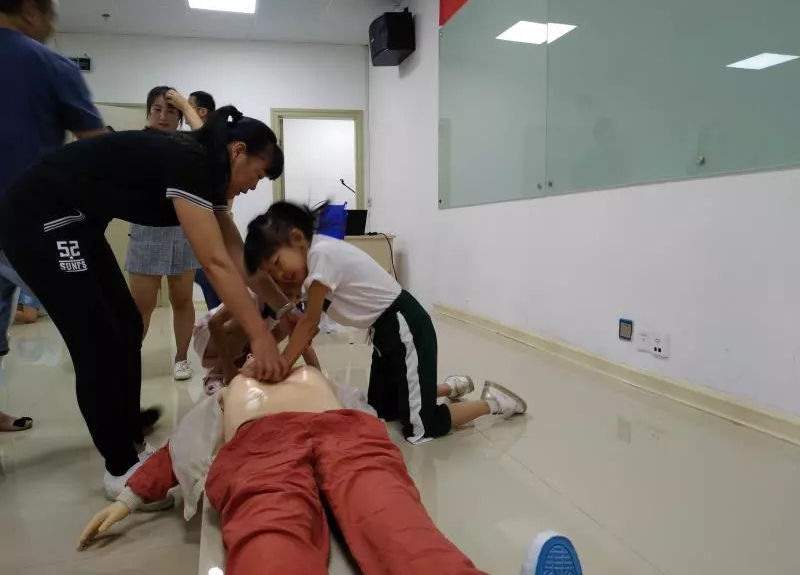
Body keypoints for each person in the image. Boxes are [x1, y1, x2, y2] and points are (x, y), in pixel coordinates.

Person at [0, 105, 289, 500]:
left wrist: (286, 309)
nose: (255, 186)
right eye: (258, 174)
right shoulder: (192, 163)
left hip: (79, 221)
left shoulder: (211, 178)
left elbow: (239, 258)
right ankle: (120, 468)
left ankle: (130, 437)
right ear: (238, 151)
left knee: (127, 323)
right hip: (39, 217)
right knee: (96, 339)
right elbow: (215, 262)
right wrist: (260, 337)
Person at [77, 364, 583, 575]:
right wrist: (128, 500)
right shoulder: (227, 392)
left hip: (346, 435)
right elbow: (180, 448)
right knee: (269, 530)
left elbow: (372, 408)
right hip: (261, 449)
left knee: (393, 520)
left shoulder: (317, 375)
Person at [244, 202, 528, 443]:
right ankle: (447, 388)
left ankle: (495, 402)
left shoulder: (321, 256)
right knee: (381, 412)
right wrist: (266, 355)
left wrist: (281, 365)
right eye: (272, 273)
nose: (280, 276)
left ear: (296, 238)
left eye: (278, 263)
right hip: (383, 331)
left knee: (421, 427)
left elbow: (308, 323)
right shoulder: (313, 265)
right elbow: (299, 325)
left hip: (404, 324)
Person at [0, 0, 106, 432]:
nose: (51, 26)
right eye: (50, 15)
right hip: (32, 224)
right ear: (29, 9)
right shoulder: (49, 65)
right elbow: (99, 148)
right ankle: (117, 420)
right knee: (97, 322)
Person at [125, 86, 206, 382]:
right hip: (146, 230)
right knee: (141, 306)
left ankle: (181, 358)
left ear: (181, 116)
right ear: (148, 112)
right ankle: (127, 359)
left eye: (171, 111)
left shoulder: (187, 144)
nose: (163, 116)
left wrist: (186, 105)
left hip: (183, 230)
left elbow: (208, 141)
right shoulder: (135, 142)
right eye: (157, 109)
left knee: (182, 300)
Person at [193, 288, 320, 395]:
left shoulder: (290, 308)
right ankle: (215, 374)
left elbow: (304, 343)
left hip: (242, 336)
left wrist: (320, 379)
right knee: (244, 325)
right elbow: (214, 324)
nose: (292, 300)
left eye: (297, 297)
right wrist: (228, 368)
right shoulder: (253, 296)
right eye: (288, 294)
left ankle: (245, 361)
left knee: (286, 328)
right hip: (209, 335)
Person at [188, 91, 225, 311]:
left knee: (208, 276)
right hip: (199, 222)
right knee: (205, 276)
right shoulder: (196, 142)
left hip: (212, 221)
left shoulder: (214, 141)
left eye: (188, 106)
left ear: (202, 112)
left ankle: (218, 320)